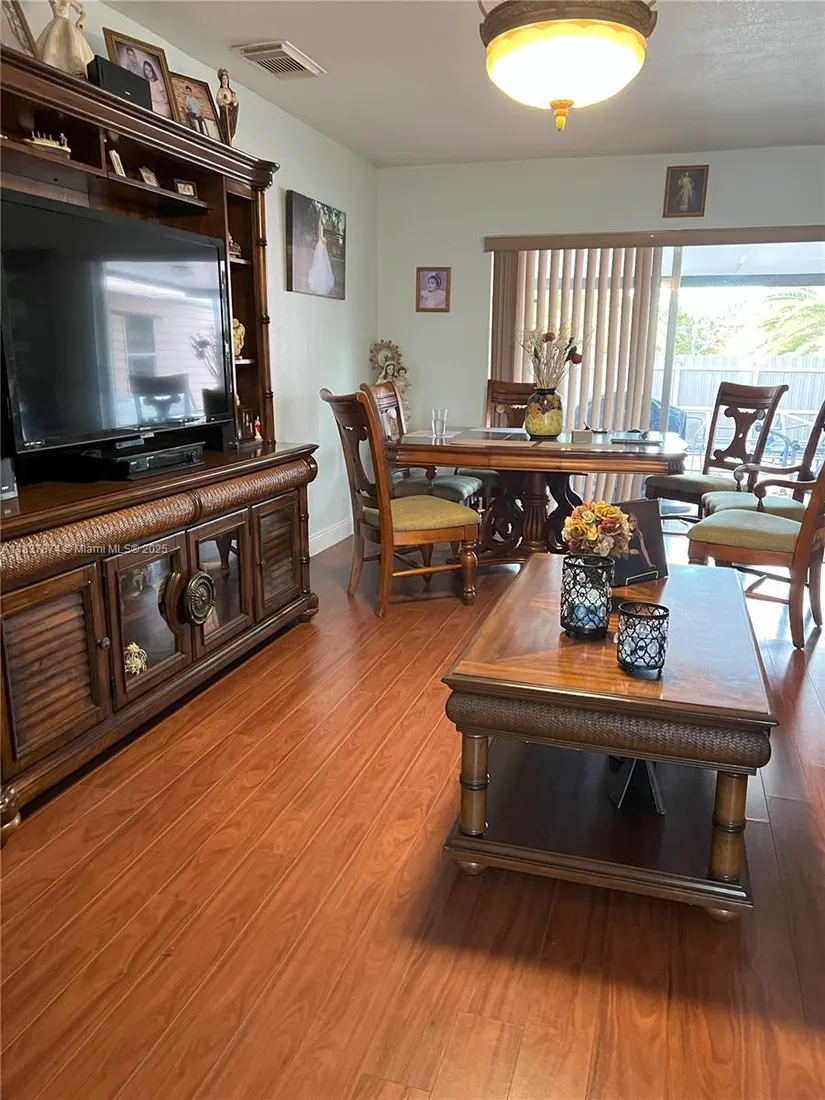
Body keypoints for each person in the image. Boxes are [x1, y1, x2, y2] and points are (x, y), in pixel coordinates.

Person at [36, 0, 93, 78]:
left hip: (66, 25)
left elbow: (83, 13)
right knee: (53, 43)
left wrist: (78, 23)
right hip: (56, 23)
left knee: (70, 45)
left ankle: (73, 70)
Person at [307, 210, 335, 296]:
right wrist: (322, 240)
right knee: (319, 260)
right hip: (320, 243)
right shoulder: (320, 224)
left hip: (321, 244)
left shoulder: (322, 224)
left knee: (322, 262)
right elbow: (320, 234)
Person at [216, 68, 239, 145]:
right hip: (225, 111)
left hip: (230, 111)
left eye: (226, 78)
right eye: (223, 79)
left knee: (231, 127)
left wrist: (234, 103)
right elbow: (219, 99)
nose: (225, 80)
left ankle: (229, 140)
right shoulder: (221, 90)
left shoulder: (230, 91)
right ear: (221, 80)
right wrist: (222, 103)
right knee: (225, 127)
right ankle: (225, 140)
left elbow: (235, 101)